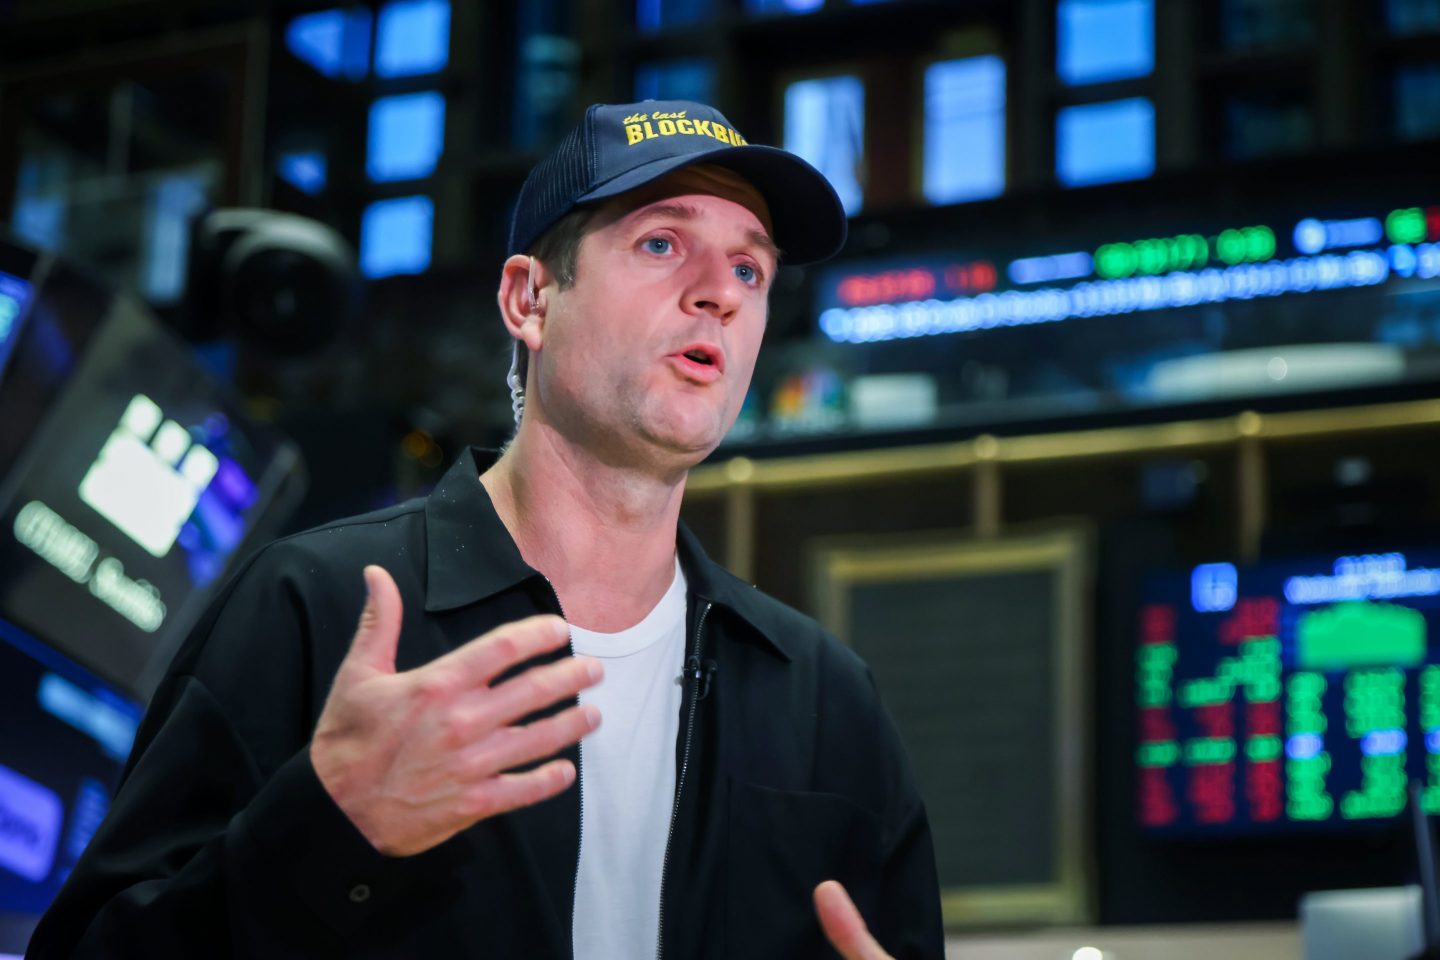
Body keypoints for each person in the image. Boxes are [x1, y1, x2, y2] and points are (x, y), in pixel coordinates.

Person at [28, 100, 943, 959]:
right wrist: (326, 832)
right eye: (662, 243)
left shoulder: (827, 702)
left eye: (750, 268)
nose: (721, 294)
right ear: (530, 300)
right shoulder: (316, 606)